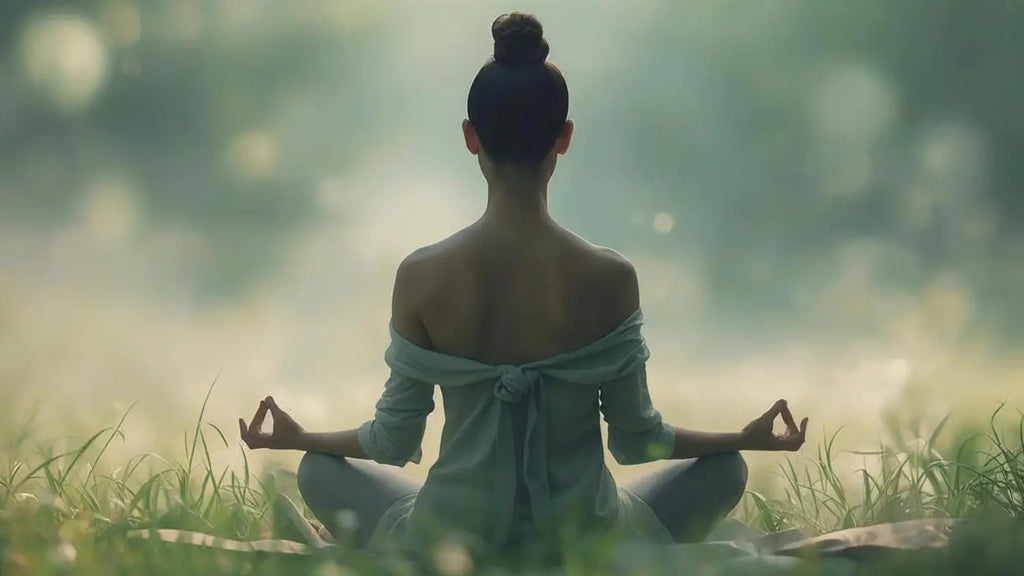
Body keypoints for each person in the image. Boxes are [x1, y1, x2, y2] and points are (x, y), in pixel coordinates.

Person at [239, 11, 808, 558]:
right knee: (727, 467)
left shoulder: (421, 275)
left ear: (470, 137)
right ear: (564, 137)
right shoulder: (610, 277)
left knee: (315, 468)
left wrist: (300, 437)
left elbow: (392, 441)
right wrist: (743, 438)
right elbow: (639, 441)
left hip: (451, 536)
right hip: (586, 536)